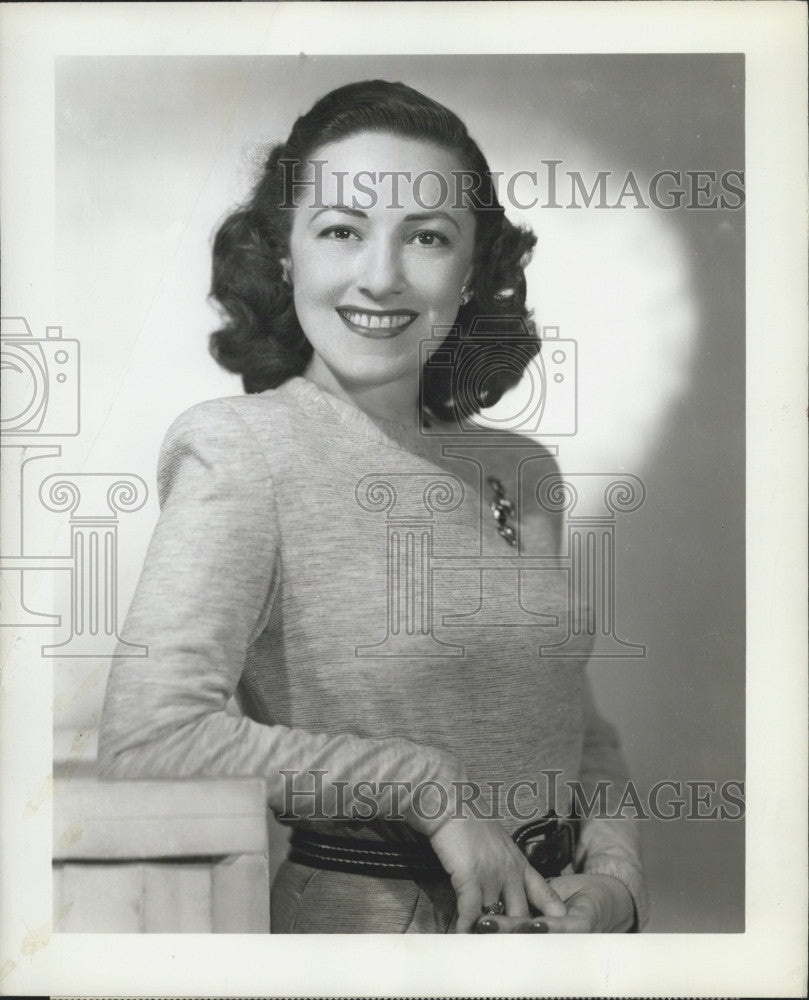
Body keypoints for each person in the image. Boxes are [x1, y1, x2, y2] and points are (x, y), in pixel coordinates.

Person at [98, 79, 647, 934]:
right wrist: (424, 786)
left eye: (426, 237)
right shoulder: (242, 449)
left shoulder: (520, 468)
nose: (381, 277)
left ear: (471, 273)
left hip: (561, 936)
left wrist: (612, 878)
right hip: (370, 939)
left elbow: (578, 728)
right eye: (341, 230)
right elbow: (150, 737)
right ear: (287, 253)